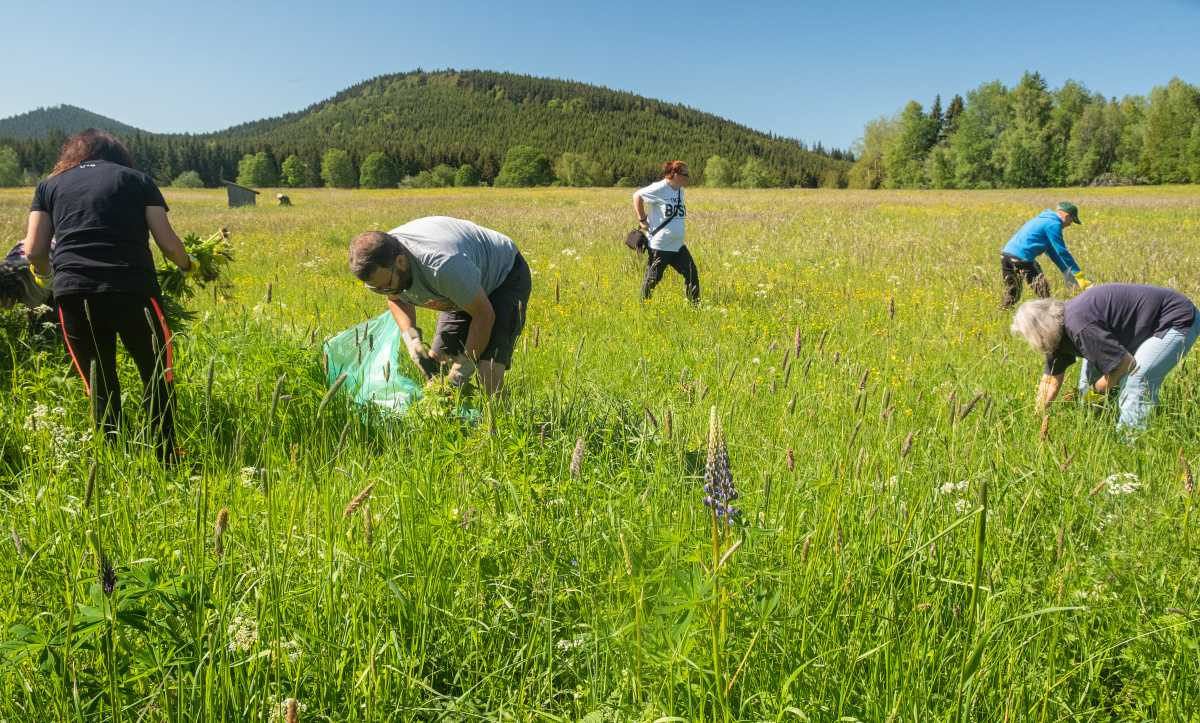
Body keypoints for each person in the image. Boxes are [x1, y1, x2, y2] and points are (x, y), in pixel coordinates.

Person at [21, 129, 195, 461]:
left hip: (74, 293)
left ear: (73, 153)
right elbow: (168, 243)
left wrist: (44, 274)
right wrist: (189, 265)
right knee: (158, 374)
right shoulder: (137, 180)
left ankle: (114, 460)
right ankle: (167, 456)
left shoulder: (48, 186)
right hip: (135, 291)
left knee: (99, 382)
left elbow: (33, 250)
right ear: (117, 154)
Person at [348, 216, 531, 394]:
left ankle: (499, 422)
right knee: (437, 366)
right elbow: (395, 298)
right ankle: (453, 420)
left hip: (504, 277)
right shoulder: (381, 264)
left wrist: (461, 371)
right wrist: (411, 338)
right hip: (462, 287)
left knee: (488, 372)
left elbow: (484, 315)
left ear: (401, 262)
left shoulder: (442, 266)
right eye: (377, 289)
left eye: (386, 285)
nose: (384, 290)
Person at [1011, 284, 1200, 433]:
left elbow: (1126, 364)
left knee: (1137, 379)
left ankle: (1130, 445)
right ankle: (1100, 426)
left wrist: (1094, 392)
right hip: (1139, 328)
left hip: (1175, 320)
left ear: (1040, 331)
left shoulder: (1080, 326)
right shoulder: (1055, 333)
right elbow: (1051, 380)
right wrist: (1037, 418)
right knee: (1088, 383)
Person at [1000, 202, 1092, 308]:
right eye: (1072, 220)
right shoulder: (1054, 224)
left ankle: (1003, 311)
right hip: (1022, 257)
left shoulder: (1043, 219)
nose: (1070, 224)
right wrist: (1078, 274)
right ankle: (1050, 317)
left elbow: (1052, 252)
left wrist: (1066, 272)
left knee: (1012, 293)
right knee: (1044, 293)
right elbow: (1062, 251)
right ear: (1067, 216)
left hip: (1006, 255)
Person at [634, 160, 698, 303]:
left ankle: (696, 307)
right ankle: (643, 308)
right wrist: (642, 219)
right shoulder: (660, 187)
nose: (688, 177)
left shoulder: (680, 190)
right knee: (652, 279)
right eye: (685, 174)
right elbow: (637, 196)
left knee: (692, 273)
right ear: (675, 174)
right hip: (660, 246)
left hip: (677, 245)